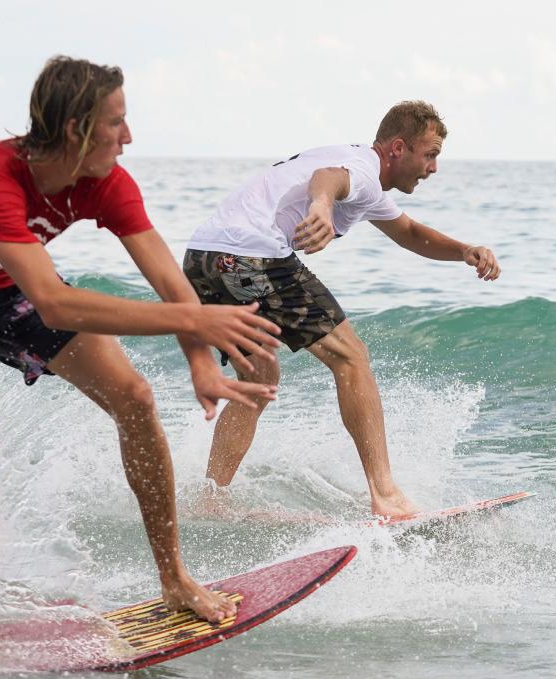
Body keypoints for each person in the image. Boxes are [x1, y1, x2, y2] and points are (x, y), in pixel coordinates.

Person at [0, 56, 281, 633]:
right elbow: (54, 301)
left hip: (6, 290)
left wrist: (200, 362)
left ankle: (174, 579)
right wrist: (196, 326)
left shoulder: (105, 182)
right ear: (76, 130)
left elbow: (170, 282)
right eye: (117, 122)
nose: (129, 136)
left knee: (135, 398)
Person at [183, 101, 501, 518]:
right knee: (351, 357)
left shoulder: (359, 167)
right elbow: (327, 180)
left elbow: (408, 232)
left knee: (258, 375)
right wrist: (321, 205)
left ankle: (211, 498)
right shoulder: (362, 173)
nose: (433, 168)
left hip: (204, 256)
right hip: (253, 254)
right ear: (398, 148)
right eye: (431, 154)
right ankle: (386, 496)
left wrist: (465, 251)